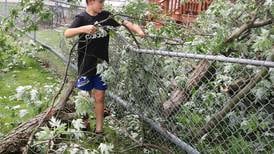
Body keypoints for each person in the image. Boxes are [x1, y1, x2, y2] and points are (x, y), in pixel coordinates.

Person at [64, 0, 145, 134]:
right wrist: (83, 29)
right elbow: (67, 33)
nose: (103, 4)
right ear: (90, 1)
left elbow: (125, 22)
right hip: (85, 65)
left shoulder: (106, 16)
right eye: (100, 1)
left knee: (100, 97)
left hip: (102, 66)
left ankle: (99, 129)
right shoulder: (82, 18)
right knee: (85, 96)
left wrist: (138, 31)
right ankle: (84, 124)